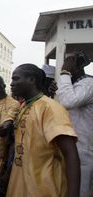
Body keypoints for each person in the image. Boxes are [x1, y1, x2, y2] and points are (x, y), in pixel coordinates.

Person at [7, 63, 80, 197]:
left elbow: (70, 154)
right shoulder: (25, 106)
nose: (12, 83)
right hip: (20, 187)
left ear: (32, 80)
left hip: (45, 190)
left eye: (16, 79)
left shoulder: (50, 108)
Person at [56, 54, 93, 196]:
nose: (63, 66)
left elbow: (69, 101)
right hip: (71, 147)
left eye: (67, 63)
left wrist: (65, 73)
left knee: (80, 191)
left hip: (83, 151)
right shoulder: (74, 85)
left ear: (75, 67)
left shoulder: (89, 84)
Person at [0, 75, 20, 196]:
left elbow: (8, 120)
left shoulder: (14, 103)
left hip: (2, 154)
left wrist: (5, 127)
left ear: (4, 86)